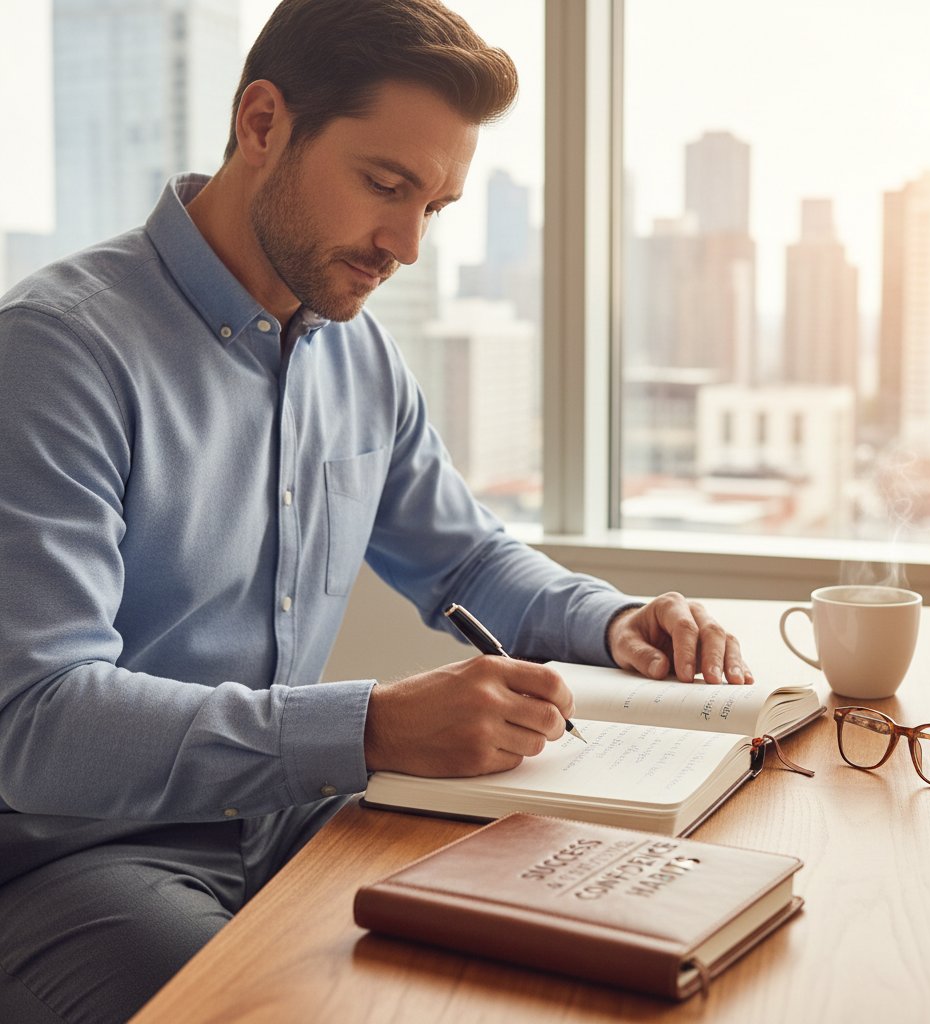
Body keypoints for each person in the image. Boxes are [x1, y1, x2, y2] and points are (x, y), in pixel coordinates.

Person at [0, 1, 752, 1020]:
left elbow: (468, 563)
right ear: (262, 124)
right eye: (386, 186)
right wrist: (367, 727)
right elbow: (38, 723)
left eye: (435, 207)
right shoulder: (55, 354)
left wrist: (614, 621)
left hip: (300, 824)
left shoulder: (357, 356)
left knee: (612, 941)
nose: (404, 244)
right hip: (81, 865)